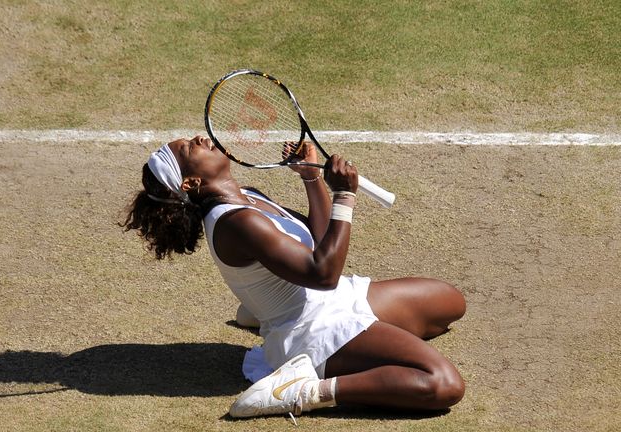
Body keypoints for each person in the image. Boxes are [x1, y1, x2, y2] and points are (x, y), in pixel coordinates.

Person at [122, 135, 466, 419]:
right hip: (313, 330)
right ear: (191, 182)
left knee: (449, 304)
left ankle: (263, 310)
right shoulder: (236, 223)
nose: (200, 138)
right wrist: (345, 195)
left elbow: (317, 243)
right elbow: (324, 272)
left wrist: (311, 178)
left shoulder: (251, 196)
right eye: (188, 149)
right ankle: (304, 389)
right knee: (443, 384)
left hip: (333, 298)